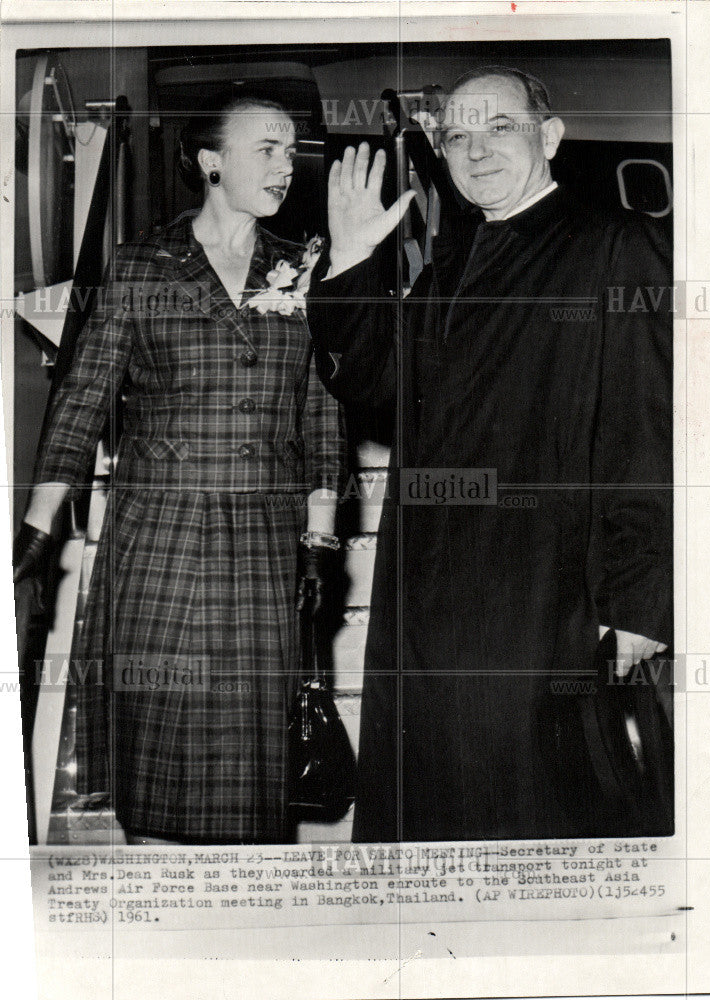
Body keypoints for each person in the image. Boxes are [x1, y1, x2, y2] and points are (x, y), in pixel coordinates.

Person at [307, 66, 672, 842]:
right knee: (428, 812)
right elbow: (374, 392)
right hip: (425, 599)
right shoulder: (451, 265)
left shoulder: (616, 245)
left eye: (498, 128)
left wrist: (636, 602)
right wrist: (350, 266)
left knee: (534, 811)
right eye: (456, 136)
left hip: (544, 595)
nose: (474, 152)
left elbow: (647, 428)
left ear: (549, 137)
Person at [13, 91, 345, 845]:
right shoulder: (142, 264)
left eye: (290, 151)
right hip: (159, 524)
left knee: (252, 750)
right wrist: (38, 523)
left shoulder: (301, 266)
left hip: (264, 531)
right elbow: (84, 395)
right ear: (209, 162)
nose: (285, 166)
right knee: (161, 744)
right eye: (266, 149)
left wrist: (319, 536)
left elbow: (322, 406)